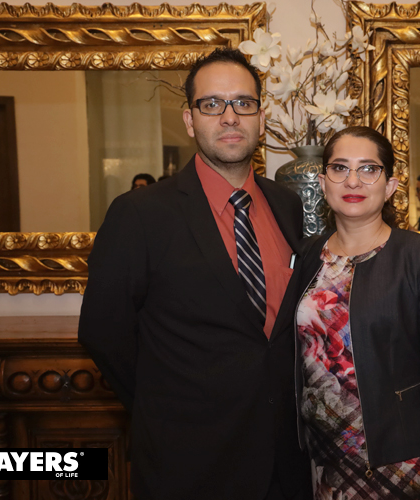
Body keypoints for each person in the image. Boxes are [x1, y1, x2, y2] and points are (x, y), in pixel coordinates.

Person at [78, 48, 310, 500]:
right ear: (189, 120)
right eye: (212, 104)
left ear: (261, 119)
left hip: (285, 462)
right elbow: (103, 333)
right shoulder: (140, 214)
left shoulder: (287, 204)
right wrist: (163, 411)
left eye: (244, 103)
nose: (230, 116)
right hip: (188, 463)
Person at [296, 126, 420, 499]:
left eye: (368, 169)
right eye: (340, 168)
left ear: (390, 185)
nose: (353, 180)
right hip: (320, 465)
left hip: (397, 467)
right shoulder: (308, 255)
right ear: (323, 182)